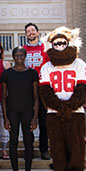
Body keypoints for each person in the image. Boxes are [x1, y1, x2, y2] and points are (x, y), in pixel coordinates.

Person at [39, 26, 86, 171]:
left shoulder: (79, 64)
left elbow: (82, 89)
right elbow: (45, 91)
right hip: (54, 113)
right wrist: (60, 107)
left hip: (75, 113)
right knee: (57, 145)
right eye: (56, 43)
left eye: (63, 43)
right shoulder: (46, 67)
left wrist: (69, 106)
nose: (60, 46)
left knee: (76, 145)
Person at [1, 47, 39, 171]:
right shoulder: (7, 74)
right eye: (16, 55)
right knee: (13, 141)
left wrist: (35, 117)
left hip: (27, 111)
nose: (19, 57)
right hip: (12, 112)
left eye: (21, 55)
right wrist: (5, 117)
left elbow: (36, 97)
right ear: (13, 56)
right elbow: (4, 98)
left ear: (25, 56)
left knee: (29, 141)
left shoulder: (32, 73)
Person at [23, 22, 51, 160]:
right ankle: (29, 148)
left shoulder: (45, 49)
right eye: (28, 31)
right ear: (26, 34)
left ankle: (44, 149)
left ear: (38, 32)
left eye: (33, 30)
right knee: (28, 120)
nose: (31, 33)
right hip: (27, 90)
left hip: (42, 88)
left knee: (43, 120)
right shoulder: (22, 49)